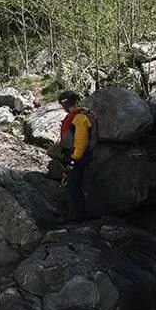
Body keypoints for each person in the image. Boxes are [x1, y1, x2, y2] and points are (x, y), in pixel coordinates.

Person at [57, 90, 99, 222]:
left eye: (61, 104)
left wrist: (73, 161)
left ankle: (80, 218)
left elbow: (81, 143)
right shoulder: (79, 115)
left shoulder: (80, 117)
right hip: (78, 155)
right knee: (73, 185)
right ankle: (77, 216)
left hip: (80, 156)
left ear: (66, 103)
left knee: (73, 187)